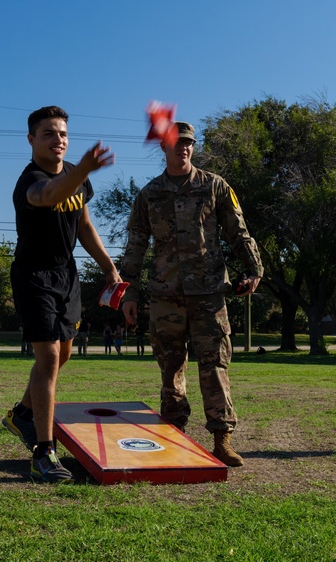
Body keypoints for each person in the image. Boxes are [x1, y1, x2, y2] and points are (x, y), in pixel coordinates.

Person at [119, 122, 263, 467]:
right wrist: (127, 293)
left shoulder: (214, 186)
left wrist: (254, 268)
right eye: (176, 143)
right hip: (165, 295)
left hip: (209, 293)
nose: (183, 148)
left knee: (215, 366)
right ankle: (173, 434)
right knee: (171, 368)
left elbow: (238, 231)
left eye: (188, 143)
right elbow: (135, 247)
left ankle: (222, 439)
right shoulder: (149, 195)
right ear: (163, 148)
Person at [2, 106, 121, 482]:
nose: (59, 140)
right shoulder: (29, 181)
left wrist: (108, 267)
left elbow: (83, 223)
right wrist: (84, 168)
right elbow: (51, 195)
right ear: (31, 139)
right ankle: (44, 451)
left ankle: (22, 414)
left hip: (65, 274)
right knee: (49, 355)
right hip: (33, 274)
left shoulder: (76, 176)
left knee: (64, 353)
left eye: (64, 134)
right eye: (50, 133)